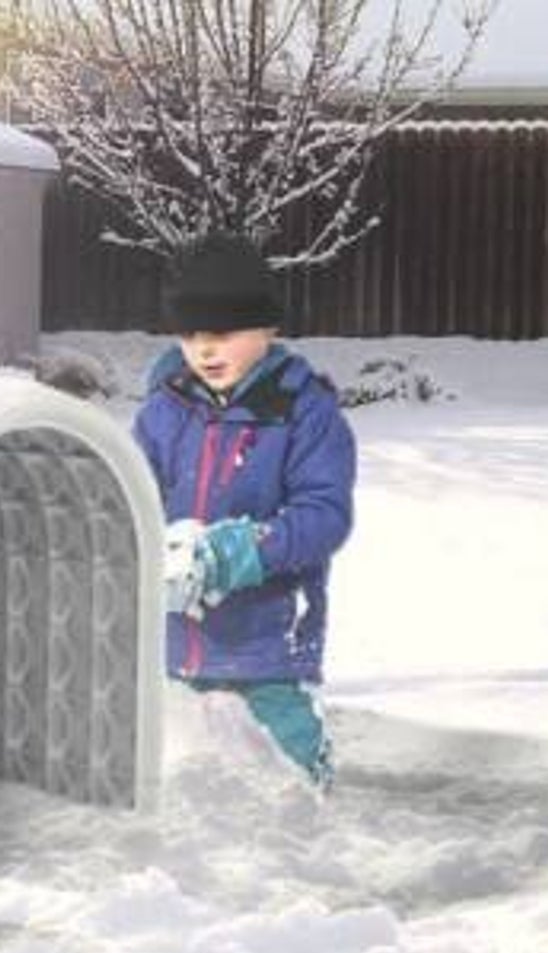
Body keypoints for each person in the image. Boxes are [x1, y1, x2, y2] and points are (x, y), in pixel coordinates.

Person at [131, 231, 356, 788]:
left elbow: (325, 513)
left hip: (267, 645)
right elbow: (131, 494)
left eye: (223, 333)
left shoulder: (305, 412)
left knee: (290, 774)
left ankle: (316, 832)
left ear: (267, 328)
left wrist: (241, 551)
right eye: (190, 334)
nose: (205, 350)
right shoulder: (163, 411)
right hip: (171, 643)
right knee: (181, 777)